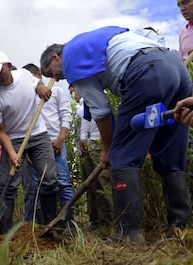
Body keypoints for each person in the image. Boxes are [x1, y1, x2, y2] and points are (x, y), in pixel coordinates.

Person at [40, 26, 192, 242]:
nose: (60, 78)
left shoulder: (71, 58)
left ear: (56, 56)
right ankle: (180, 229)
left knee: (122, 156)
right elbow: (150, 37)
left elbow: (100, 110)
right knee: (170, 153)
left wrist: (108, 148)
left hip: (146, 73)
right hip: (175, 68)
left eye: (53, 73)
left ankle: (128, 235)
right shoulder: (102, 36)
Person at [0, 50, 58, 235]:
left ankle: (50, 227)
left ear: (9, 66)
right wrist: (11, 153)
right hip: (13, 138)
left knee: (49, 180)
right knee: (6, 185)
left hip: (38, 134)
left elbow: (37, 84)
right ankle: (5, 232)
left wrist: (40, 87)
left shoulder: (24, 75)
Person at [23, 63, 74, 230]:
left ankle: (69, 225)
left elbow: (66, 114)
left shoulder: (57, 92)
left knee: (63, 183)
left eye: (32, 78)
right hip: (35, 147)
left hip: (55, 143)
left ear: (39, 75)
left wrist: (61, 139)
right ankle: (39, 227)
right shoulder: (26, 98)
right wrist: (28, 151)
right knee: (36, 188)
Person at [70, 85, 114, 229]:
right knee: (92, 185)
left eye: (74, 89)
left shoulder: (104, 93)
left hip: (102, 143)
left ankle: (110, 222)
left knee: (103, 183)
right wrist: (83, 138)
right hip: (90, 144)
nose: (73, 93)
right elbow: (86, 119)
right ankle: (97, 221)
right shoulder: (86, 102)